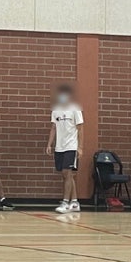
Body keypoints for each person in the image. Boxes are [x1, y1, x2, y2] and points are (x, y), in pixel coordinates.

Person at [45, 85, 84, 213]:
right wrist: (49, 144)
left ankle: (66, 202)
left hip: (71, 146)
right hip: (59, 147)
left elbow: (80, 129)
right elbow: (53, 128)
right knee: (65, 174)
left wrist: (80, 147)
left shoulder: (75, 110)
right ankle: (75, 202)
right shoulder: (55, 110)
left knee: (68, 173)